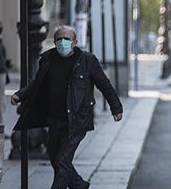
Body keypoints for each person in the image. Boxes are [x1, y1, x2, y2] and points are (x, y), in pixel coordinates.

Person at [11, 25, 123, 189]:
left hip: (78, 120)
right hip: (54, 120)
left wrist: (116, 108)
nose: (62, 42)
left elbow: (104, 85)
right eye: (58, 39)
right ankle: (79, 185)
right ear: (55, 41)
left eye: (66, 39)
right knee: (55, 157)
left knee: (63, 159)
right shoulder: (48, 59)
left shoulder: (87, 61)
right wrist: (20, 95)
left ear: (75, 42)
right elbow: (37, 83)